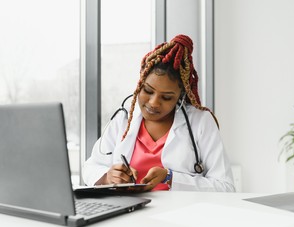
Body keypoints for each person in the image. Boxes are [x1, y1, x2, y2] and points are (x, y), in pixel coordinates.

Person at [83, 34, 235, 192]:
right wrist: (108, 177)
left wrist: (170, 177)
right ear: (139, 84)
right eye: (147, 90)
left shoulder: (200, 121)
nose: (154, 103)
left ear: (180, 96)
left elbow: (226, 187)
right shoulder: (123, 118)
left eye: (167, 97)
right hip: (128, 212)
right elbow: (90, 167)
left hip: (181, 214)